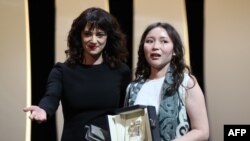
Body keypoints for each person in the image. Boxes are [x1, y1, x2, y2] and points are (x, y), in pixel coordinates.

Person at [23, 7, 131, 141]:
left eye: (100, 34)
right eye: (87, 34)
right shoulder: (62, 71)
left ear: (108, 37)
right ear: (79, 36)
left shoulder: (121, 71)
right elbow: (51, 96)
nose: (93, 40)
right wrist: (44, 109)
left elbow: (125, 111)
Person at [125, 22, 209, 141]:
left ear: (174, 50)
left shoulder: (185, 82)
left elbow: (202, 131)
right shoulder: (133, 88)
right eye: (149, 41)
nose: (155, 46)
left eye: (164, 41)